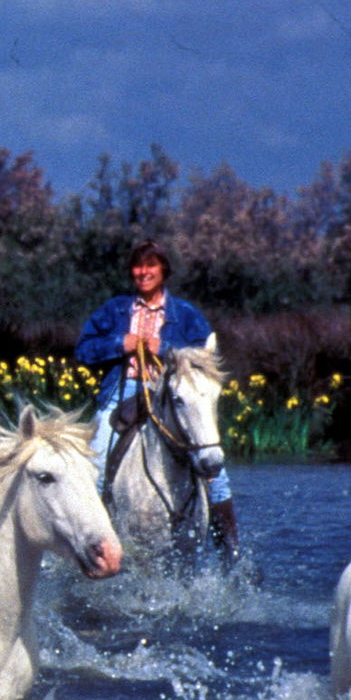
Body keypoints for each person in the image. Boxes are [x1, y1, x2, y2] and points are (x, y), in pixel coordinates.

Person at [74, 239, 241, 561]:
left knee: (213, 466)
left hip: (172, 393)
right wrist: (118, 343)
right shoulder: (114, 310)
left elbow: (203, 357)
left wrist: (162, 348)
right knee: (95, 458)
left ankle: (231, 553)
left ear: (163, 270)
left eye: (150, 265)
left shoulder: (188, 315)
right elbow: (84, 350)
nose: (143, 272)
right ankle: (92, 545)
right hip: (123, 391)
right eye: (138, 266)